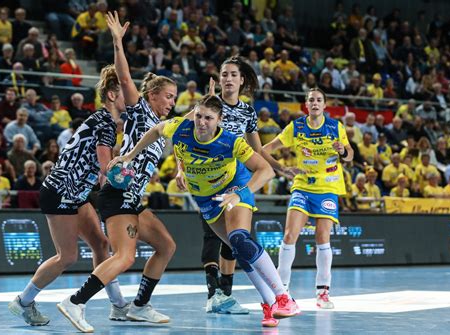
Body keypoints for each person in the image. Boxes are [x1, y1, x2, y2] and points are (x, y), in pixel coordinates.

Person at [110, 94, 300, 327]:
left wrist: (240, 193)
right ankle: (270, 303)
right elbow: (157, 131)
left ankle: (284, 297)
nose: (201, 122)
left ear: (219, 120)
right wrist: (129, 155)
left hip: (233, 188)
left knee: (238, 238)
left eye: (208, 118)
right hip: (206, 199)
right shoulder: (180, 127)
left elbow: (265, 171)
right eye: (198, 116)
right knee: (237, 249)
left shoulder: (231, 141)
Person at [57, 12, 177, 333]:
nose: (171, 102)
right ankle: (76, 302)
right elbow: (124, 78)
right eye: (168, 96)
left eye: (174, 98)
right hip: (118, 193)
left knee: (166, 246)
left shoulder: (163, 126)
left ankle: (138, 307)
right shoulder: (141, 112)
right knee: (124, 257)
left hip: (134, 198)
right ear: (152, 96)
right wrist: (117, 43)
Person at [8, 64, 127, 327]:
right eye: (123, 91)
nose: (129, 96)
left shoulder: (103, 121)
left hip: (77, 192)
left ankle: (118, 305)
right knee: (67, 256)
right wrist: (127, 173)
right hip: (60, 191)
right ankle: (24, 302)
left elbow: (99, 167)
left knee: (100, 243)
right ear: (111, 95)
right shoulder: (106, 122)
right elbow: (107, 169)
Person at [176, 56, 264, 314]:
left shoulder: (248, 111)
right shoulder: (207, 105)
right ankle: (212, 293)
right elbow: (183, 135)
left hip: (235, 179)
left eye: (233, 75)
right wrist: (181, 168)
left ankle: (225, 295)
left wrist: (275, 168)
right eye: (224, 74)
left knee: (234, 241)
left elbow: (256, 149)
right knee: (211, 235)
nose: (227, 78)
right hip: (205, 177)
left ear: (241, 80)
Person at [262, 88, 354, 309]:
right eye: (311, 100)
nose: (315, 103)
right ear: (306, 105)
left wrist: (343, 151)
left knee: (323, 238)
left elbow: (350, 155)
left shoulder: (335, 127)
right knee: (289, 234)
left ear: (324, 106)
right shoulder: (297, 127)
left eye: (319, 100)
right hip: (303, 186)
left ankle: (323, 293)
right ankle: (280, 291)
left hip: (328, 186)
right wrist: (283, 169)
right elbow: (266, 149)